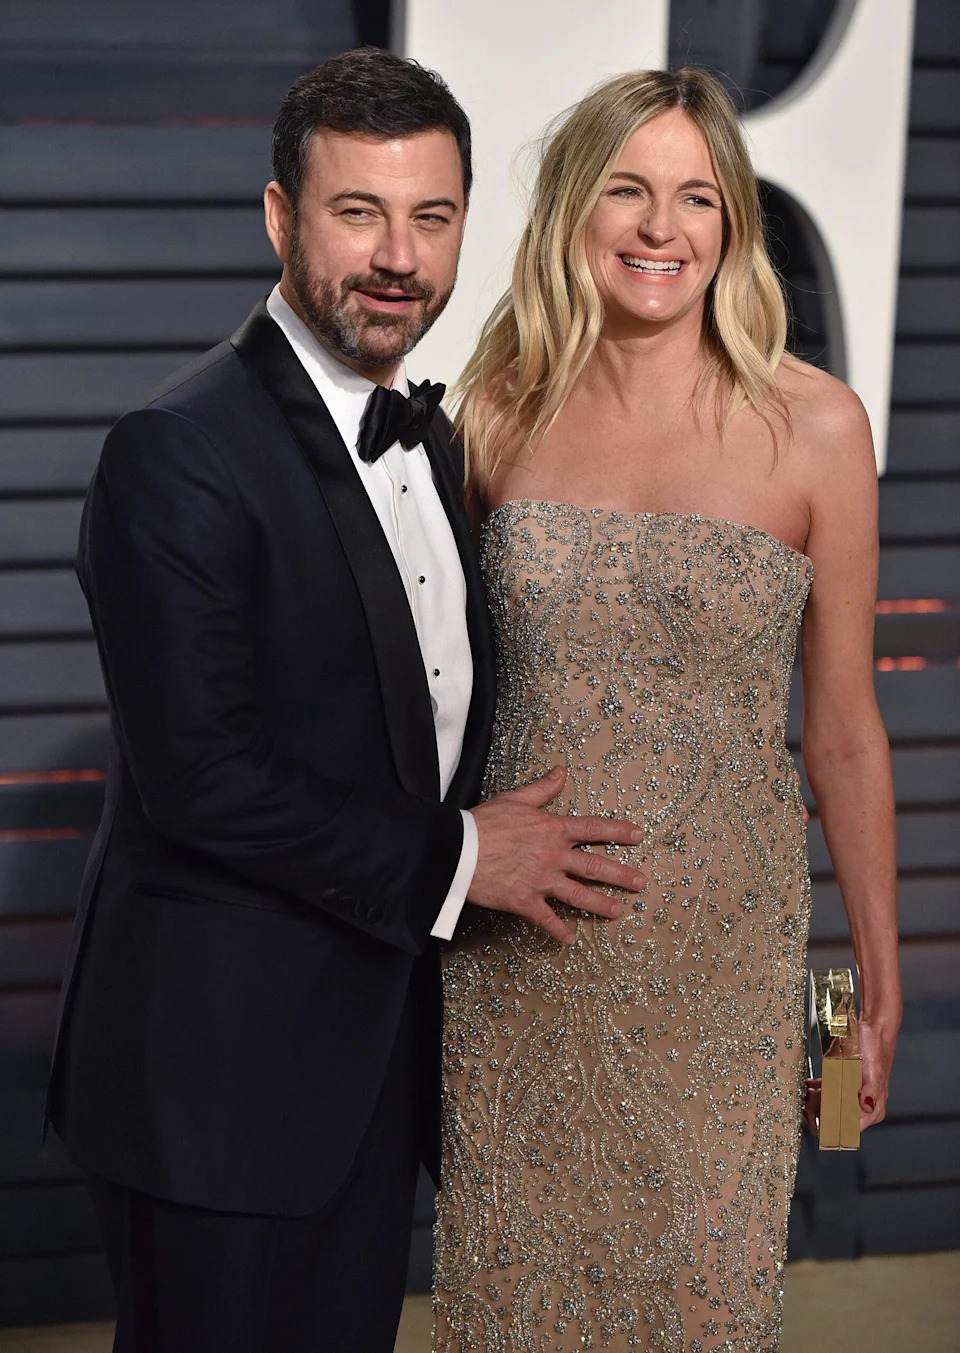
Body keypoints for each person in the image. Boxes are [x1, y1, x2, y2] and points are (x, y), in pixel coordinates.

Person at [45, 48, 647, 1353]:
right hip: (213, 1074)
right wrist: (470, 853)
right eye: (357, 213)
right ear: (279, 218)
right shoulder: (178, 450)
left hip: (374, 1057)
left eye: (431, 217)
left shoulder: (431, 438)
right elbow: (203, 776)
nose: (398, 256)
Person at [434, 67, 901, 1352]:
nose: (661, 227)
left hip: (724, 970)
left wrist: (877, 964)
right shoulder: (496, 409)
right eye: (629, 190)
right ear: (576, 211)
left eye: (698, 197)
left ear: (734, 226)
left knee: (702, 1309)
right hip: (519, 961)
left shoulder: (817, 428)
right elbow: (430, 691)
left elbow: (846, 730)